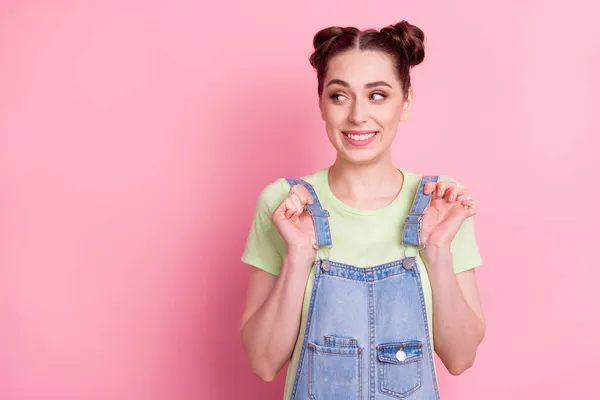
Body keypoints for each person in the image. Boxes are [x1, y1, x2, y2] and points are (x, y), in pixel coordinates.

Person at [239, 20, 485, 400]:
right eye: (339, 96)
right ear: (321, 103)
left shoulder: (441, 203)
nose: (357, 116)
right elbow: (262, 362)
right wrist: (298, 255)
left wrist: (437, 250)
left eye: (378, 95)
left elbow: (460, 357)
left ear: (406, 103)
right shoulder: (285, 204)